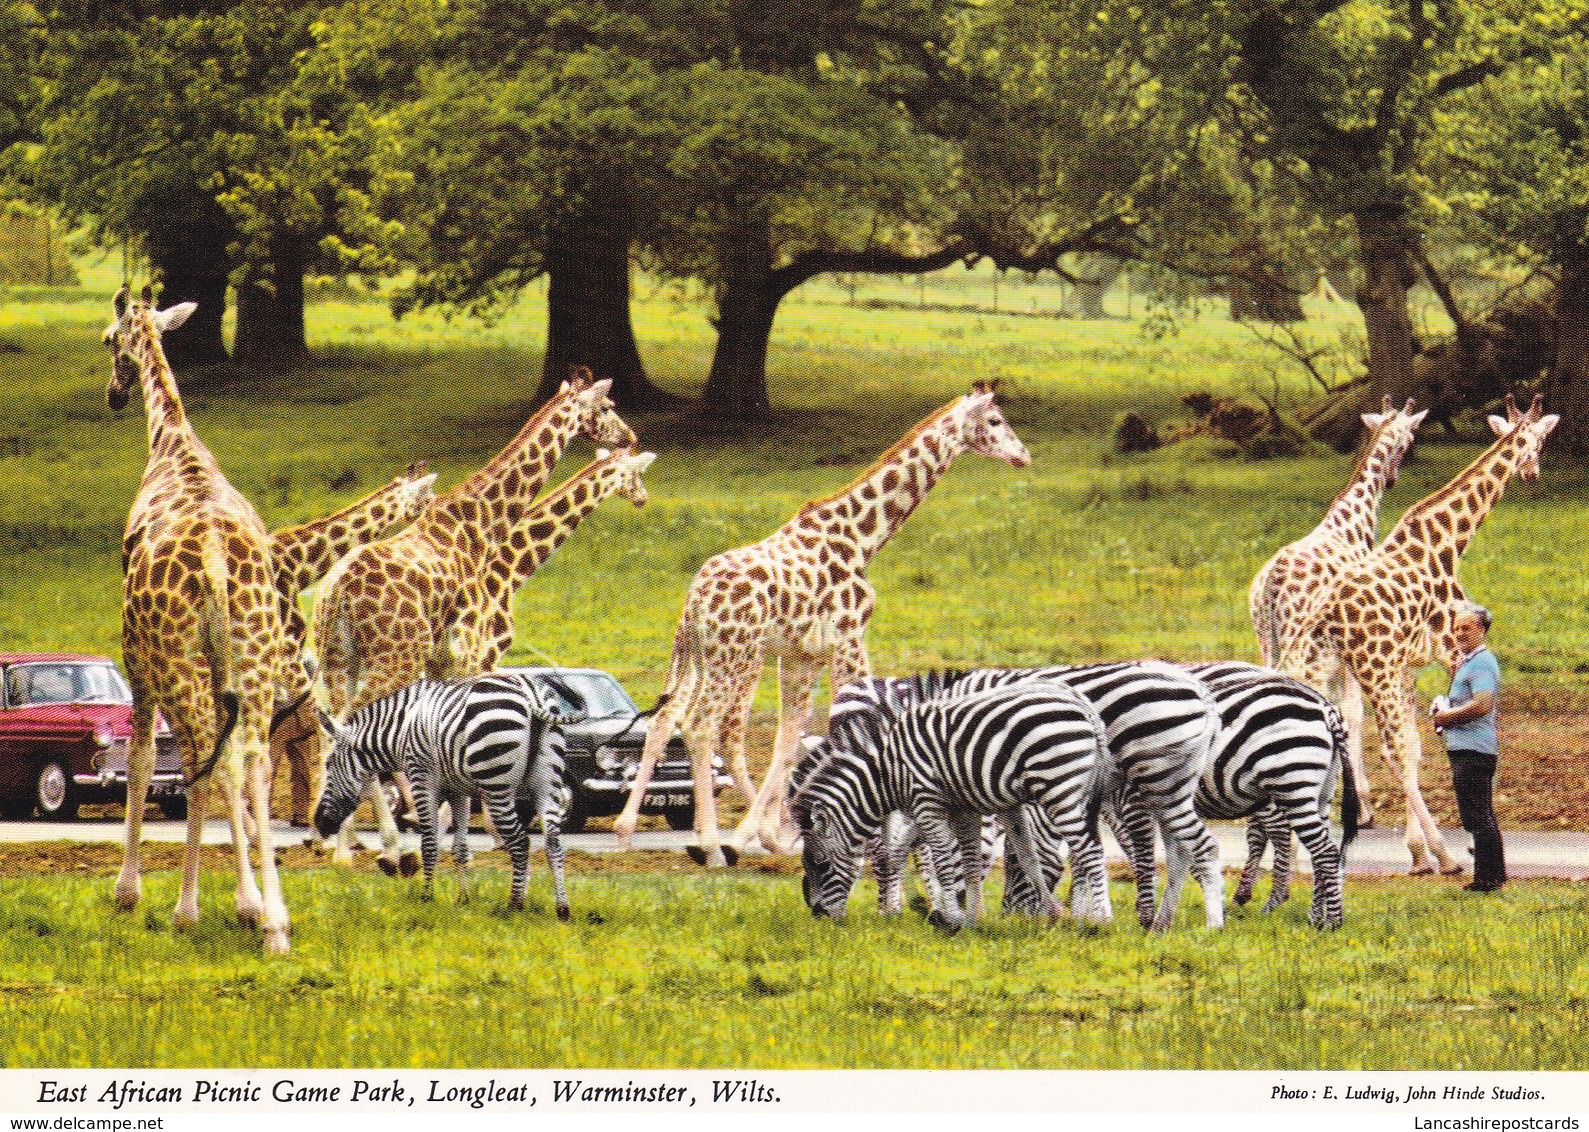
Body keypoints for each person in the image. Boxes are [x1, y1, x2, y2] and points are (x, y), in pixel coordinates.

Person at [1430, 603, 1506, 893]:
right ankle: (1494, 875)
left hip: (1473, 749)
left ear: (1481, 630)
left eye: (1466, 628)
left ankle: (1486, 880)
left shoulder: (1482, 663)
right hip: (1470, 747)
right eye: (1457, 628)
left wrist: (1445, 717)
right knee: (1482, 812)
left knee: (1476, 815)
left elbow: (1483, 704)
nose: (1459, 633)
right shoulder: (1469, 662)